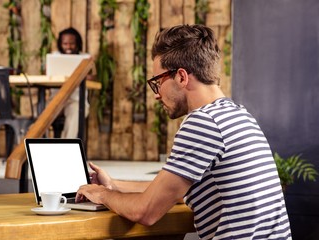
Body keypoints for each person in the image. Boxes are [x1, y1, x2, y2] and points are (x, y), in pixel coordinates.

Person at [76, 24, 292, 239]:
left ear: (181, 77)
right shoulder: (237, 115)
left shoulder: (203, 122)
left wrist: (102, 194)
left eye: (157, 82)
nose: (157, 94)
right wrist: (114, 185)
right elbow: (172, 191)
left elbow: (146, 211)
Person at [52, 27, 90, 138]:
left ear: (78, 44)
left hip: (76, 101)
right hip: (56, 100)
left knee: (76, 113)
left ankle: (66, 149)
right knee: (39, 113)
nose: (68, 47)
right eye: (65, 44)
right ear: (60, 44)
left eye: (72, 44)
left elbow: (92, 77)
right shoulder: (54, 57)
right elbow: (47, 73)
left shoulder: (85, 59)